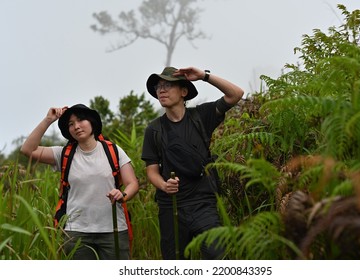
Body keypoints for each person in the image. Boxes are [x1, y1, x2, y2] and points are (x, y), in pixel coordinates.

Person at [141, 66, 244, 259]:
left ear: (184, 91)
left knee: (218, 257)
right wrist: (164, 185)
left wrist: (204, 76)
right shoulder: (154, 130)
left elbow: (236, 94)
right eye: (158, 86)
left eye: (167, 85)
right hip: (170, 207)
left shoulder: (201, 117)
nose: (161, 90)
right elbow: (152, 170)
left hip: (203, 204)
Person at [20, 104, 139, 260]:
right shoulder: (63, 154)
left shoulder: (113, 151)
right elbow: (27, 150)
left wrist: (122, 194)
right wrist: (49, 120)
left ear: (92, 122)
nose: (76, 126)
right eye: (70, 124)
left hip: (114, 230)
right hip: (76, 232)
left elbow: (133, 184)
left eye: (81, 120)